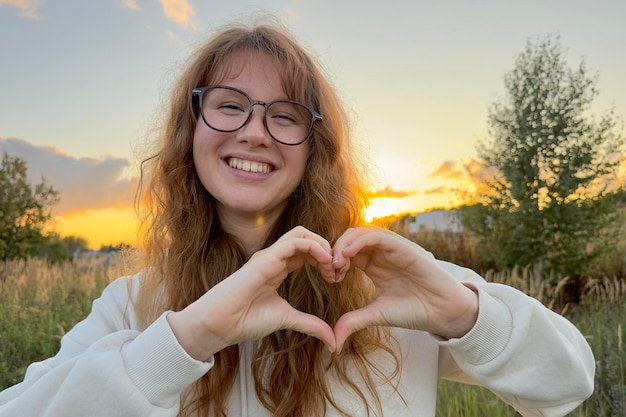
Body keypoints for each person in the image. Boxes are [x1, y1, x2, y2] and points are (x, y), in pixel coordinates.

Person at [0, 22, 594, 417]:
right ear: (190, 133)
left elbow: (570, 383)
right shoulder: (135, 305)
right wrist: (186, 340)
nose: (254, 130)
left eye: (284, 116)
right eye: (229, 106)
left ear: (315, 148)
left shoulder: (388, 287)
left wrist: (467, 316)